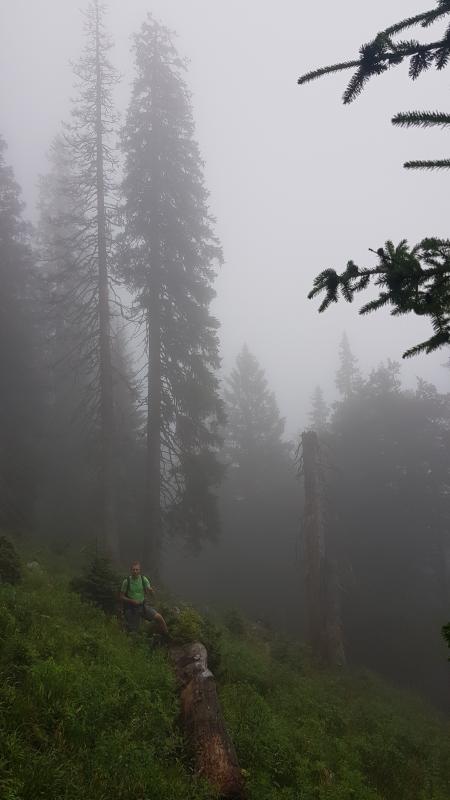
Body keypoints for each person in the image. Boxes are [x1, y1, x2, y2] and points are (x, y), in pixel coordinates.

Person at [120, 560, 169, 637]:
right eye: (133, 569)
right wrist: (132, 601)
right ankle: (132, 644)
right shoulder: (126, 581)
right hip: (131, 609)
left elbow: (152, 594)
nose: (135, 571)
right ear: (131, 570)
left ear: (140, 570)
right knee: (134, 632)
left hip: (142, 606)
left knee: (159, 617)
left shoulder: (143, 579)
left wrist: (151, 591)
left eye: (137, 569)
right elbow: (121, 596)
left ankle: (167, 636)